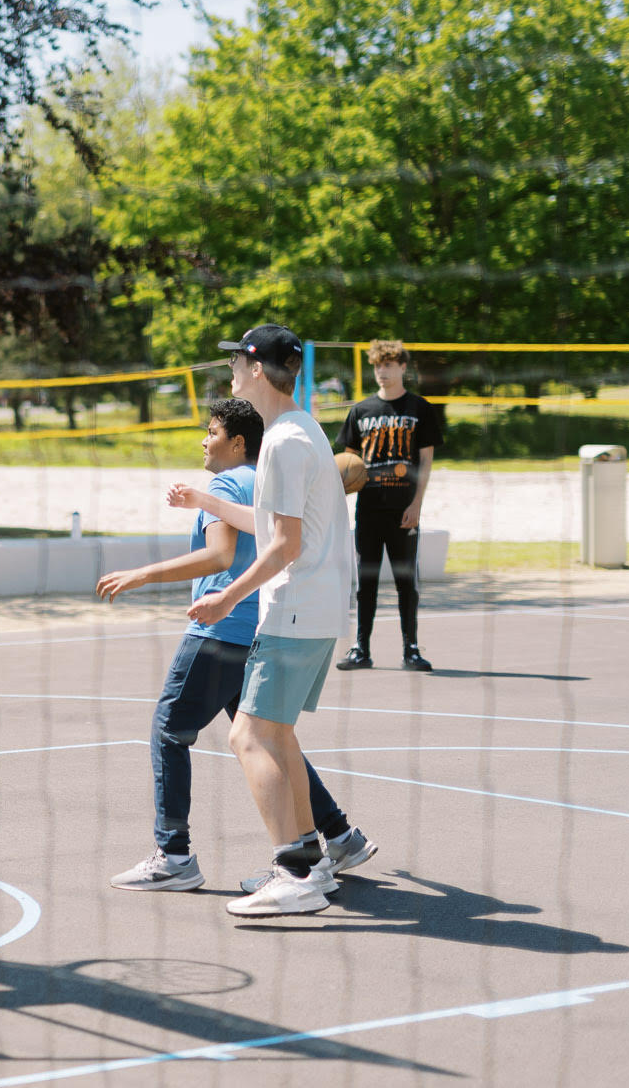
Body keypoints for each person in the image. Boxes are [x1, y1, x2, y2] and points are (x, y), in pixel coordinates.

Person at [101, 398, 376, 894]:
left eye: (211, 432)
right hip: (262, 628)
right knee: (271, 738)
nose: (203, 441)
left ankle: (174, 854)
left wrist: (143, 573)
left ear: (237, 442)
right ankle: (339, 834)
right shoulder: (269, 483)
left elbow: (219, 554)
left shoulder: (226, 483)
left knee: (169, 731)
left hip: (219, 631)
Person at [186, 324, 356, 917]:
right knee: (278, 734)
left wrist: (227, 597)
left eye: (235, 362)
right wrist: (207, 502)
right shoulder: (303, 428)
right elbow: (276, 523)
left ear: (256, 369)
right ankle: (313, 860)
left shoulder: (283, 442)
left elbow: (283, 545)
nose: (230, 371)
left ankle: (295, 872)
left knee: (247, 735)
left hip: (293, 608)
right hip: (321, 608)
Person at [334, 339, 443, 672]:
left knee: (405, 581)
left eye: (390, 365)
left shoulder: (419, 408)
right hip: (368, 509)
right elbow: (347, 460)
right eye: (378, 365)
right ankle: (360, 648)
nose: (383, 371)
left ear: (403, 368)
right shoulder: (361, 411)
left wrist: (417, 505)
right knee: (365, 582)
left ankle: (411, 649)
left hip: (403, 510)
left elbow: (425, 462)